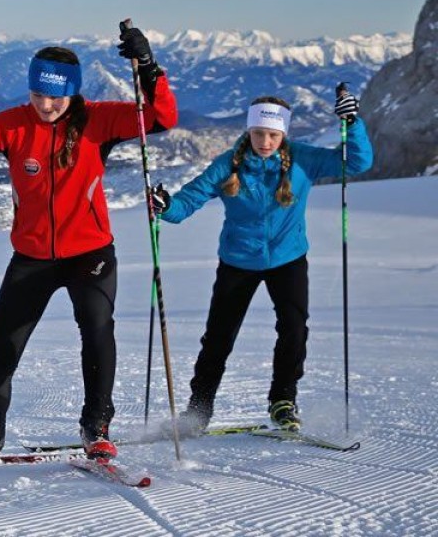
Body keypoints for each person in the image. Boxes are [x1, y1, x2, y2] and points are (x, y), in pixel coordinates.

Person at [0, 27, 179, 463]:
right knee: (1, 348)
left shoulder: (99, 119)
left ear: (73, 93)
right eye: (39, 94)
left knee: (97, 332)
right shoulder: (14, 123)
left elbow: (161, 118)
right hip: (32, 256)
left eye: (56, 96)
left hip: (90, 253)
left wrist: (149, 70)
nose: (46, 104)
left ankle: (96, 427)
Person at [149, 90, 372, 433]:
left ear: (283, 134)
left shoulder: (302, 159)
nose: (265, 141)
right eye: (258, 134)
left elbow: (356, 163)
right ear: (248, 131)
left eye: (273, 134)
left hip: (288, 258)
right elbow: (190, 199)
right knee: (219, 337)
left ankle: (283, 401)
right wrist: (166, 206)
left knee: (294, 329)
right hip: (238, 260)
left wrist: (352, 124)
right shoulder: (228, 164)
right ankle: (198, 411)